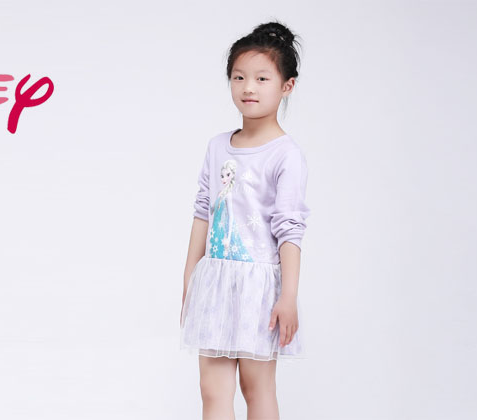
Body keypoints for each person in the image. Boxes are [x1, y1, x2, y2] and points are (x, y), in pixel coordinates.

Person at [179, 20, 311, 420]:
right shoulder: (218, 146)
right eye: (239, 77)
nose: (248, 87)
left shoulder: (286, 154)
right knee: (212, 391)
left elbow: (290, 229)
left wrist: (288, 297)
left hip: (259, 289)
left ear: (287, 85)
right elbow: (203, 212)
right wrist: (190, 280)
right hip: (214, 283)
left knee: (257, 388)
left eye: (261, 78)